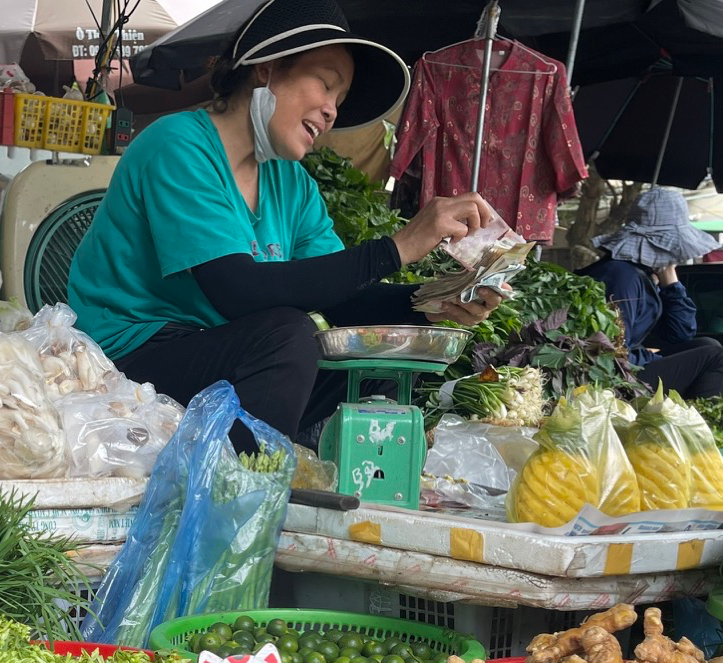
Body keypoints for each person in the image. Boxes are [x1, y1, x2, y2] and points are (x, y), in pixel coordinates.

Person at [66, 0, 507, 449]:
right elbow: (236, 289)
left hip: (214, 352)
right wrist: (400, 246)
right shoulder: (177, 145)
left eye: (340, 99)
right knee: (288, 336)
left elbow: (341, 300)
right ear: (268, 68)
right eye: (326, 84)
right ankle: (244, 491)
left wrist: (431, 303)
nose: (332, 110)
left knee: (371, 361)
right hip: (122, 363)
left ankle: (286, 472)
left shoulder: (292, 183)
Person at [578, 188, 723, 400]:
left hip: (628, 366)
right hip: (613, 380)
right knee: (719, 359)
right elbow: (610, 352)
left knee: (708, 345)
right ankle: (700, 429)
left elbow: (679, 334)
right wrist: (651, 361)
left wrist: (671, 283)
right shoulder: (621, 278)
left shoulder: (642, 275)